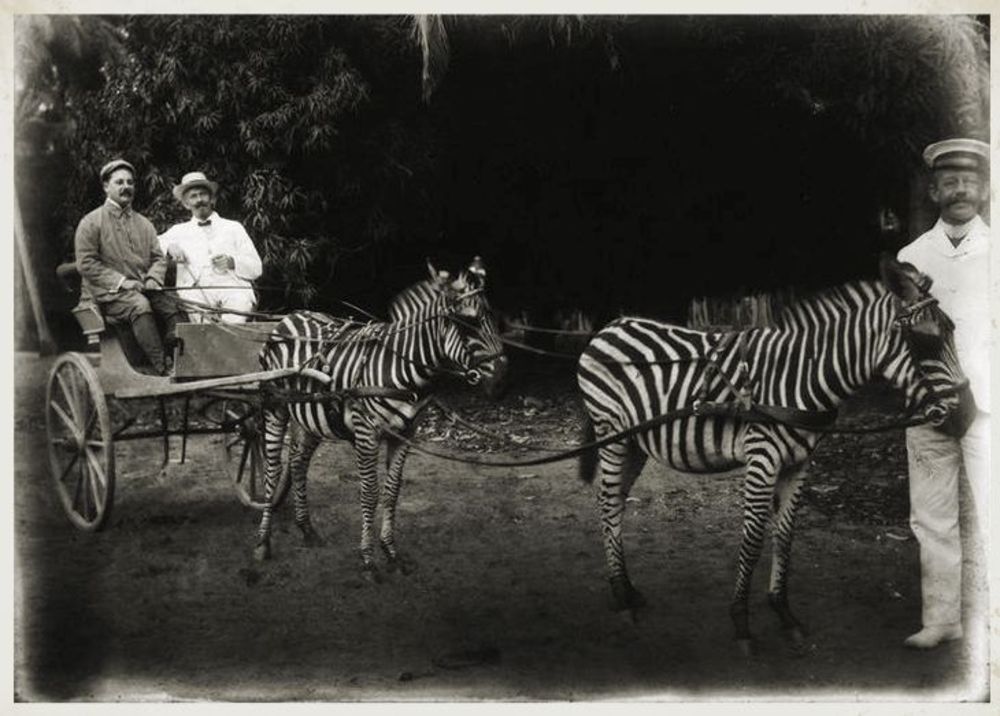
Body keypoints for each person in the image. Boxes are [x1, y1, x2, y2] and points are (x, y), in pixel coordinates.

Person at [897, 138, 991, 650]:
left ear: (984, 188)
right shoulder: (911, 257)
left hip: (989, 407)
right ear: (934, 191)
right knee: (930, 515)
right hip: (927, 405)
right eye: (950, 182)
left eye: (970, 181)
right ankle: (941, 619)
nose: (961, 191)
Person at [75, 159, 183, 375]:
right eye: (119, 182)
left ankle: (180, 355)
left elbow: (158, 258)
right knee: (139, 305)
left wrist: (153, 279)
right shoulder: (91, 222)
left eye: (130, 182)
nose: (126, 187)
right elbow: (86, 263)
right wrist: (123, 282)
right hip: (107, 295)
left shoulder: (144, 224)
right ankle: (163, 367)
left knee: (175, 303)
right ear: (106, 186)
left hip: (143, 287)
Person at [158, 171, 262, 323]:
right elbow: (154, 243)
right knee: (201, 321)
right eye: (193, 196)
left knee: (237, 310)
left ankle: (225, 339)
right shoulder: (178, 231)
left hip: (232, 289)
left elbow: (256, 267)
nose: (199, 200)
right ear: (186, 204)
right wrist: (169, 247)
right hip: (195, 293)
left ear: (212, 199)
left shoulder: (233, 228)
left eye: (203, 194)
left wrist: (232, 262)